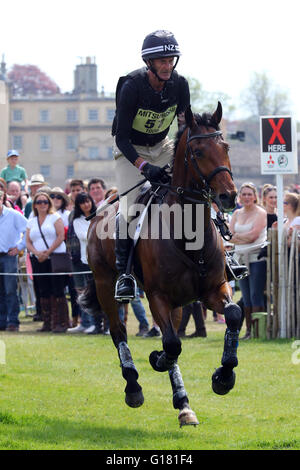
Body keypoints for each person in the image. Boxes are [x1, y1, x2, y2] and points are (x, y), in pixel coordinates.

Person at [112, 30, 190, 301]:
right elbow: (121, 138)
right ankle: (124, 275)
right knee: (129, 208)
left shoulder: (180, 84)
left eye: (171, 60)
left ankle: (221, 256)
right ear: (150, 63)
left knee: (194, 189)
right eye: (162, 61)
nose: (168, 65)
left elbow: (184, 128)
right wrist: (144, 167)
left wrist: (183, 159)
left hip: (163, 146)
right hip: (130, 151)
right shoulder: (131, 86)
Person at [26, 192, 70, 333]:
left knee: (57, 289)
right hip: (37, 258)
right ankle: (47, 322)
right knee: (42, 290)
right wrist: (37, 252)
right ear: (35, 205)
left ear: (49, 203)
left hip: (55, 257)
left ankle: (61, 322)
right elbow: (28, 240)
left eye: (45, 202)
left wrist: (47, 252)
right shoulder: (31, 220)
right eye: (39, 202)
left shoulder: (55, 217)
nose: (42, 204)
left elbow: (61, 236)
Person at [229, 182, 267, 340]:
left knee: (255, 295)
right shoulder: (237, 214)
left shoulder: (260, 212)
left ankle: (259, 331)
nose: (246, 197)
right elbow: (229, 235)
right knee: (245, 295)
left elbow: (254, 235)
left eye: (249, 194)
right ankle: (248, 331)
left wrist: (238, 238)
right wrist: (238, 239)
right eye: (243, 194)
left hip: (256, 258)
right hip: (240, 260)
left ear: (255, 196)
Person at [67, 193, 99, 334]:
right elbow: (84, 236)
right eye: (82, 203)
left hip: (99, 260)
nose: (86, 205)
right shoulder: (77, 220)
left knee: (98, 292)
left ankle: (97, 324)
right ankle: (86, 323)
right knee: (84, 292)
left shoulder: (99, 215)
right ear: (79, 206)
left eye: (87, 201)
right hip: (85, 260)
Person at [0, 190, 27, 331]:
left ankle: (13, 321)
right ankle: (1, 321)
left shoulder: (13, 215)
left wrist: (19, 247)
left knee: (10, 290)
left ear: (2, 198)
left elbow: (29, 229)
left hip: (8, 256)